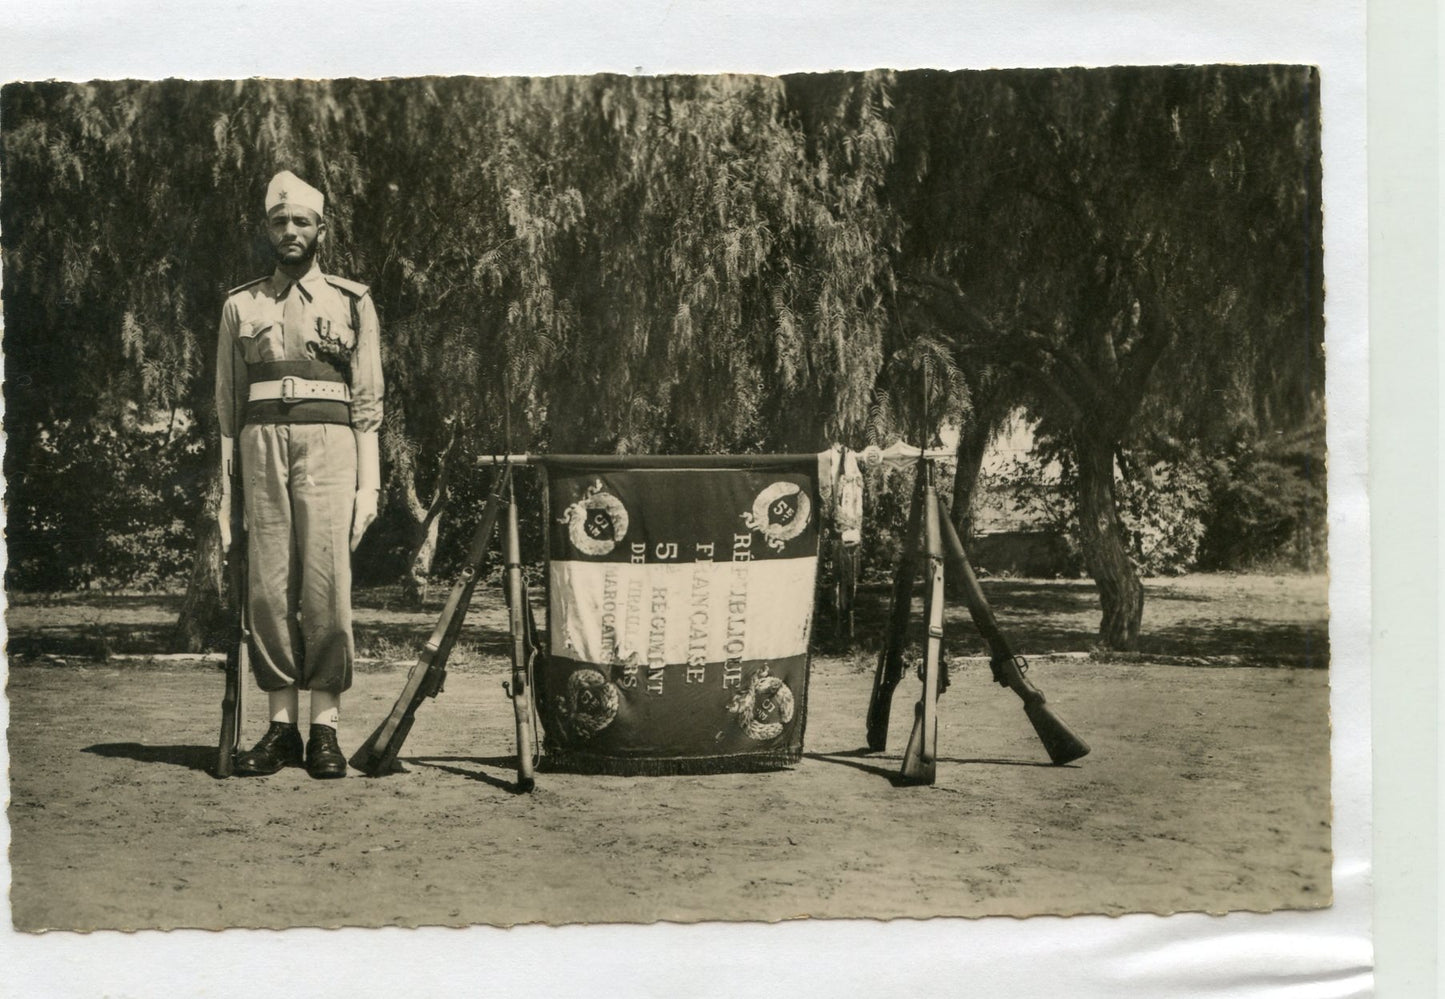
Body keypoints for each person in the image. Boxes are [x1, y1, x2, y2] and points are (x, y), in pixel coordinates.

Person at [215, 170, 384, 778]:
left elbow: (367, 406)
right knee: (267, 589)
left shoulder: (352, 300)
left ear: (321, 229)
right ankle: (280, 727)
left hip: (331, 449)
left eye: (301, 222)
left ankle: (325, 730)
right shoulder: (241, 304)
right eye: (279, 222)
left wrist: (370, 486)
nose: (290, 232)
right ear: (267, 229)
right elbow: (228, 414)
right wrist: (224, 496)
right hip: (261, 449)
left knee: (326, 588)